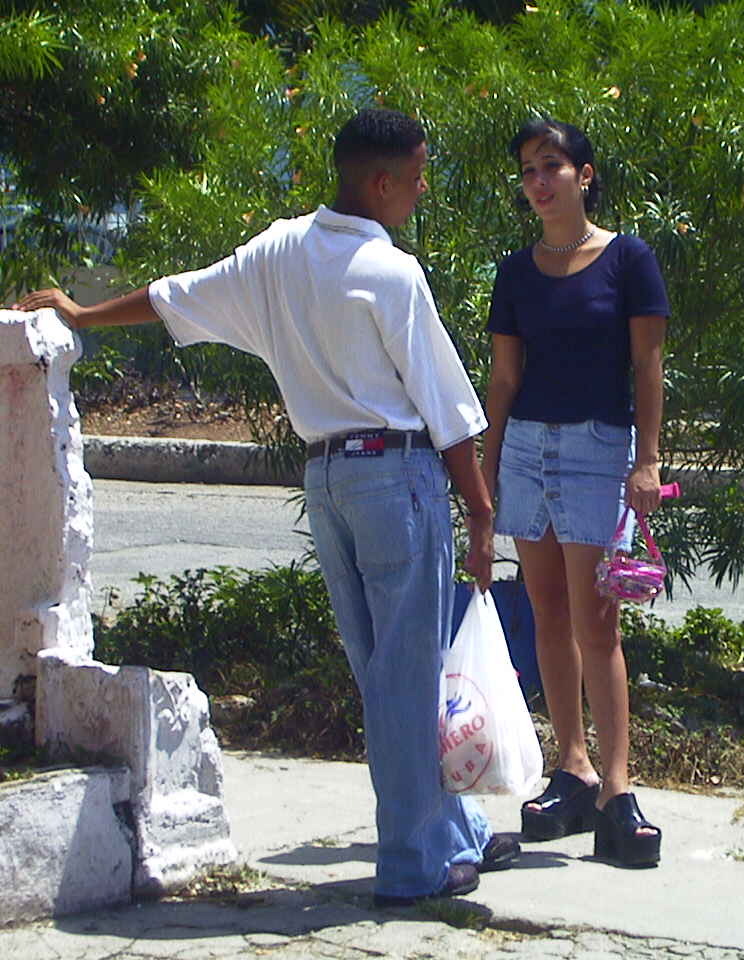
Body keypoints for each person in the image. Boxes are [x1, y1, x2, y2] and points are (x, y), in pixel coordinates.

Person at [13, 107, 518, 903]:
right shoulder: (393, 274)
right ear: (381, 182)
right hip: (396, 475)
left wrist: (82, 314)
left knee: (380, 673)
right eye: (417, 178)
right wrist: (483, 514)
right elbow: (447, 411)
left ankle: (454, 830)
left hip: (327, 482)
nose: (421, 192)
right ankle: (417, 864)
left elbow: (177, 296)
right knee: (407, 674)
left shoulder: (279, 251)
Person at [481, 118, 670, 867]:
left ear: (584, 175)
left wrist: (647, 460)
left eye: (551, 165)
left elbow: (648, 366)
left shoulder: (628, 259)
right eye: (528, 169)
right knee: (545, 615)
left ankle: (618, 790)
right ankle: (573, 766)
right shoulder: (515, 272)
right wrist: (486, 472)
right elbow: (503, 379)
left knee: (598, 624)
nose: (538, 180)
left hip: (598, 449)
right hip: (526, 448)